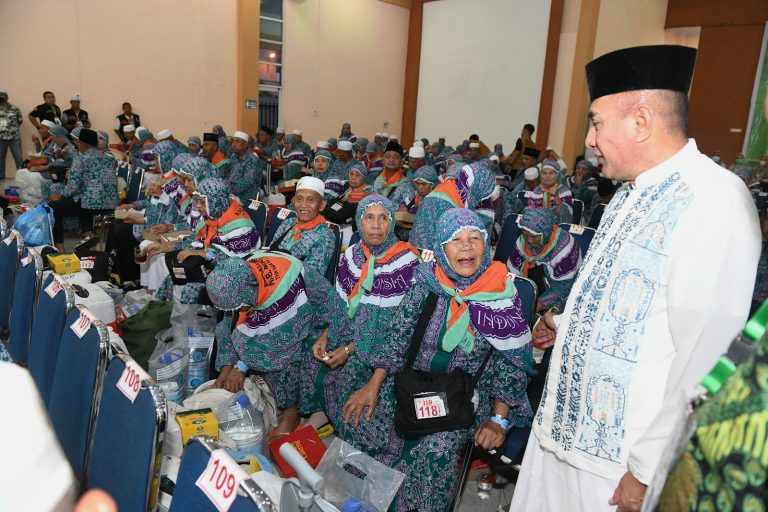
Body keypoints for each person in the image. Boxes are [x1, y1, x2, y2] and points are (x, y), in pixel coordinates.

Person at [510, 44, 761, 512]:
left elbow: (708, 358)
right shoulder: (628, 194)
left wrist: (646, 471)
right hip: (561, 441)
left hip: (617, 470)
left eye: (596, 121)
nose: (588, 138)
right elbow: (635, 309)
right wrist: (565, 327)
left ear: (641, 121)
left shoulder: (714, 202)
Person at [343, 208, 532, 511]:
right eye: (456, 240)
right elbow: (397, 336)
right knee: (360, 417)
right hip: (412, 382)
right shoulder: (427, 283)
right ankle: (369, 498)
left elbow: (511, 364)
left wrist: (498, 420)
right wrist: (374, 384)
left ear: (486, 245)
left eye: (475, 238)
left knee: (437, 447)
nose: (467, 246)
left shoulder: (500, 295)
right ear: (442, 250)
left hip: (466, 396)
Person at [308, 195, 420, 451]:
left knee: (350, 378)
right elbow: (341, 304)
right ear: (360, 221)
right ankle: (334, 422)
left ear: (392, 223)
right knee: (312, 357)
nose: (376, 225)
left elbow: (397, 328)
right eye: (369, 217)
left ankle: (356, 444)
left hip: (388, 350)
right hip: (353, 337)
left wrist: (349, 349)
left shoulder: (407, 262)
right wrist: (327, 334)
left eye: (383, 218)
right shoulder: (352, 256)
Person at [207, 252, 352, 437]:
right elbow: (232, 320)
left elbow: (280, 342)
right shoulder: (244, 278)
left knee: (282, 358)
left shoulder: (285, 286)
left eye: (240, 306)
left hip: (314, 319)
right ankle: (249, 387)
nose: (238, 310)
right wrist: (227, 367)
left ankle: (290, 411)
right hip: (281, 318)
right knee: (226, 328)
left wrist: (240, 366)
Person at [150, 177, 261, 303]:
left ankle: (190, 321)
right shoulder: (215, 216)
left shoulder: (241, 228)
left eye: (203, 203)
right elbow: (197, 239)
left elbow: (235, 265)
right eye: (198, 201)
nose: (198, 206)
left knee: (189, 288)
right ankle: (164, 313)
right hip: (212, 269)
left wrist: (202, 253)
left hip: (233, 280)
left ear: (215, 202)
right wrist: (164, 247)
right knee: (174, 276)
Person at [47, 129, 118, 251]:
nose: (75, 144)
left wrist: (61, 196)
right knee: (81, 199)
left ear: (81, 143)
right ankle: (88, 234)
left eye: (76, 141)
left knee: (52, 208)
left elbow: (73, 185)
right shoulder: (110, 158)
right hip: (111, 204)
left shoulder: (80, 159)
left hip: (90, 204)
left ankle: (59, 248)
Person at [506, 208, 582, 313]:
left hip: (559, 294)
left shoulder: (564, 247)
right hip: (533, 288)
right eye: (525, 235)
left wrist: (539, 303)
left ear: (545, 232)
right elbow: (512, 274)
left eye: (534, 236)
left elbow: (564, 289)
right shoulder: (523, 240)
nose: (529, 240)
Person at [409, 161, 496, 250]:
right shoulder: (447, 206)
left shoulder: (447, 189)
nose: (477, 200)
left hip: (419, 253)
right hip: (433, 257)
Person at [270, 176, 336, 277]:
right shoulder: (288, 223)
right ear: (294, 201)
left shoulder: (325, 237)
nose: (304, 205)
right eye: (299, 199)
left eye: (310, 200)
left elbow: (311, 277)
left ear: (321, 205)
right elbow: (270, 252)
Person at [219, 130, 264, 204]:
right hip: (230, 195)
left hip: (245, 199)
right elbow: (227, 175)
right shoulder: (233, 157)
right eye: (233, 141)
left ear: (245, 144)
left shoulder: (252, 160)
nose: (233, 144)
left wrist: (227, 189)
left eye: (237, 141)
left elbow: (247, 181)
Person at [372, 141, 415, 208]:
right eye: (388, 157)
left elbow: (406, 211)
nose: (391, 160)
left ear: (401, 162)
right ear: (383, 160)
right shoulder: (378, 181)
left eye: (396, 157)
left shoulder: (406, 186)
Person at [0, 88, 23, 181]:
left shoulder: (14, 108)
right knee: (0, 158)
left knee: (18, 157)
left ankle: (21, 176)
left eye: (2, 95)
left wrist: (11, 129)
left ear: (7, 97)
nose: (0, 97)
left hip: (14, 137)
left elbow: (20, 120)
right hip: (0, 138)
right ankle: (1, 176)